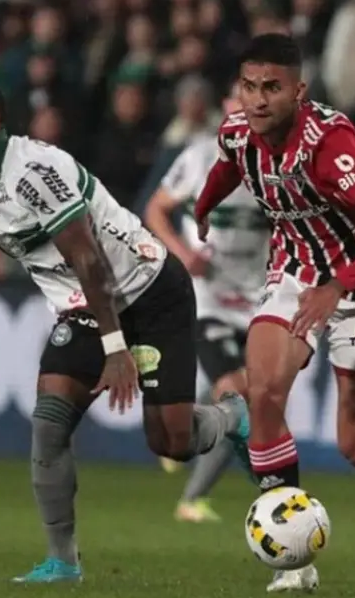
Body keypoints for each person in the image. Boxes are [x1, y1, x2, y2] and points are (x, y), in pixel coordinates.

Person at [0, 75, 251, 584]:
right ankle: (63, 562)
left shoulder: (33, 170)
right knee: (49, 424)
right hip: (85, 306)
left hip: (148, 292)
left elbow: (88, 256)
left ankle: (232, 417)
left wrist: (116, 346)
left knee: (172, 440)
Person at [193, 33, 355, 592]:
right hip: (296, 270)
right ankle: (293, 561)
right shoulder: (238, 131)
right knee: (264, 391)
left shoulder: (331, 144)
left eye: (272, 87)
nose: (259, 99)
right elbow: (229, 164)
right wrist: (204, 205)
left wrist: (339, 287)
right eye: (249, 86)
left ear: (299, 90)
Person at [143, 83, 266, 523]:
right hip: (208, 297)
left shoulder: (279, 165)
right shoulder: (198, 157)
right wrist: (181, 253)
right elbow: (156, 209)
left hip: (259, 298)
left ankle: (179, 431)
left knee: (245, 395)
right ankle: (192, 500)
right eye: (238, 103)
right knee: (239, 396)